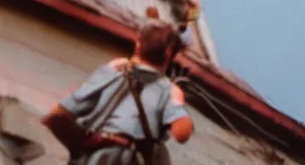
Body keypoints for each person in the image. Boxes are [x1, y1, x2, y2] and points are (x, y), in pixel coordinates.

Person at [42, 10, 194, 164]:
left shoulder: (113, 71)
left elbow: (59, 113)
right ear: (170, 54)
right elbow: (182, 134)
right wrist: (177, 101)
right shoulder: (167, 89)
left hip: (93, 156)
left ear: (138, 44)